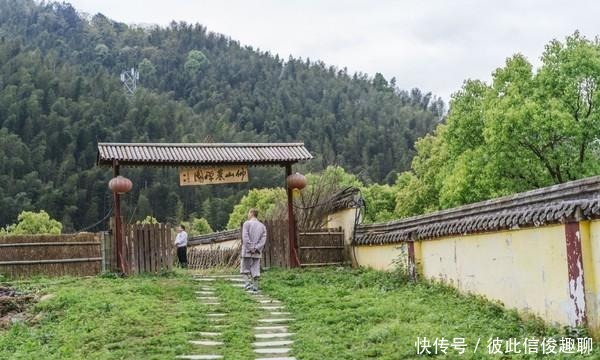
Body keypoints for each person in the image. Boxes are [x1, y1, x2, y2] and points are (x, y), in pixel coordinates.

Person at [241, 208, 267, 292]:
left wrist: (250, 248)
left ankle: (247, 284)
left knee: (244, 268)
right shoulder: (262, 226)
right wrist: (256, 248)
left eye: (248, 213)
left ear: (252, 213)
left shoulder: (246, 224)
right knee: (255, 268)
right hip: (257, 252)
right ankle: (255, 286)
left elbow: (245, 237)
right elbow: (263, 240)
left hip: (247, 251)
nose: (248, 214)